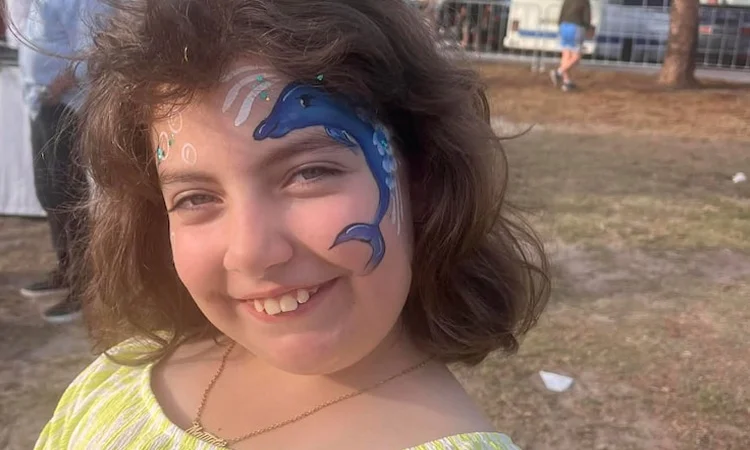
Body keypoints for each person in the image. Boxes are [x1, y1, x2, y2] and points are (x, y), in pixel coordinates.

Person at [35, 0, 550, 448]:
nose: (252, 251)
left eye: (309, 173)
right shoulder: (112, 382)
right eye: (196, 198)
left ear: (422, 175)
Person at [17, 0, 102, 323]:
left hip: (67, 107)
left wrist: (56, 89)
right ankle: (66, 270)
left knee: (68, 196)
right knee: (49, 193)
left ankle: (83, 285)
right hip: (43, 105)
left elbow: (93, 50)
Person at [550, 0, 593, 92]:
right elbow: (586, 18)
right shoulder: (585, 1)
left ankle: (567, 82)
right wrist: (587, 28)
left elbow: (562, 13)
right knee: (576, 57)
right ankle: (558, 72)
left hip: (564, 26)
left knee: (566, 55)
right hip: (576, 27)